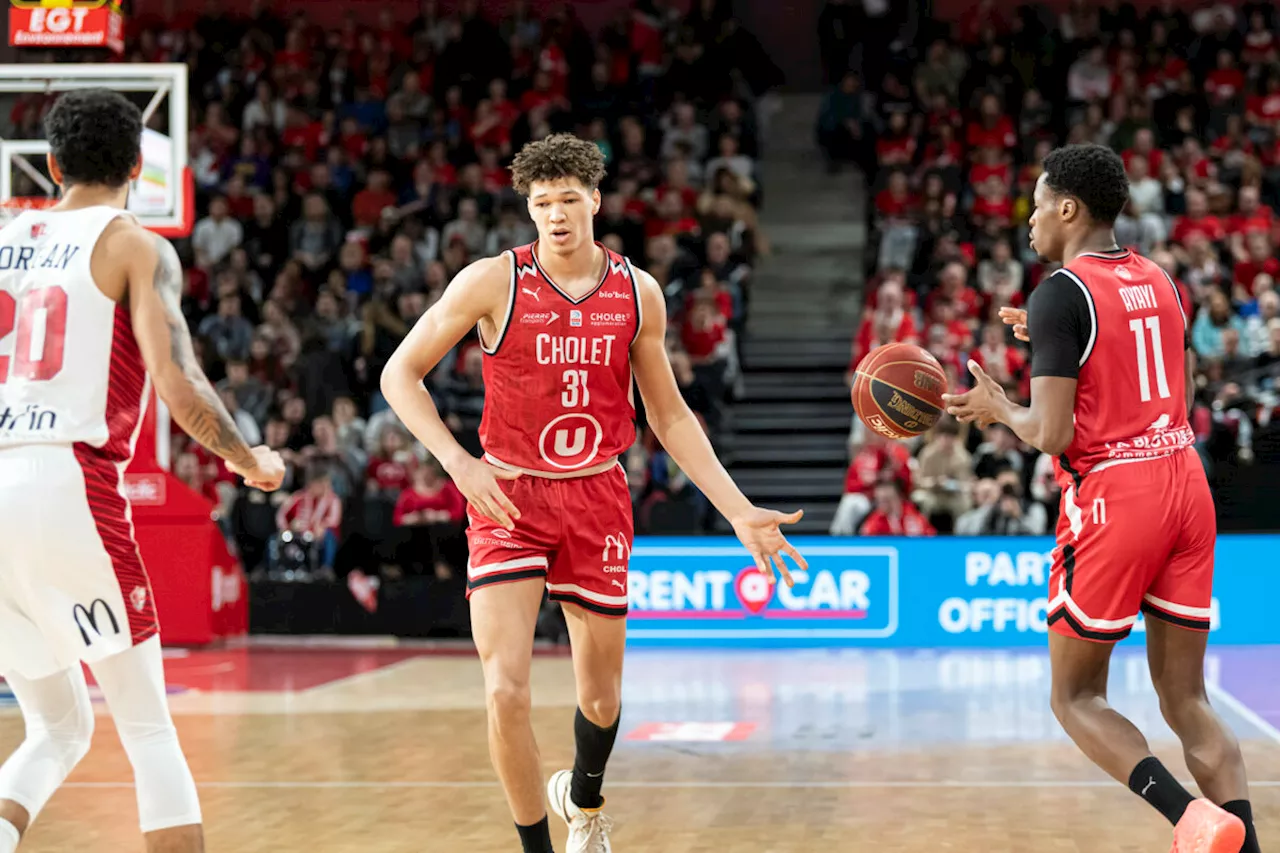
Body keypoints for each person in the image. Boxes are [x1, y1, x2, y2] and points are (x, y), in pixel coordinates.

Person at [380, 133, 806, 853]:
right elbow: (400, 373)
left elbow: (668, 413)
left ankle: (584, 798)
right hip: (507, 496)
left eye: (569, 199)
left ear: (596, 201)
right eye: (542, 202)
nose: (556, 214)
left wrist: (737, 509)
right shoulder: (491, 281)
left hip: (596, 495)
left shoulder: (637, 292)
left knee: (601, 696)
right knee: (504, 688)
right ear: (527, 207)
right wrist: (457, 462)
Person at [944, 143, 1260, 853]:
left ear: (1067, 207)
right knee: (1188, 700)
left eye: (1035, 202)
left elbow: (1051, 434)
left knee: (1075, 694)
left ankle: (1190, 817)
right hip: (1185, 477)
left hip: (1119, 493)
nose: (1028, 220)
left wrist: (998, 406)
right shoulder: (1160, 276)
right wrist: (1060, 343)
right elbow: (1175, 389)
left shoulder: (1059, 291)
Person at [0, 90, 285, 853]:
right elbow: (179, 385)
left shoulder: (6, 232)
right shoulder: (134, 244)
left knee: (59, 726)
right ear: (137, 166)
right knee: (148, 727)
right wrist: (249, 458)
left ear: (51, 165)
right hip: (67, 482)